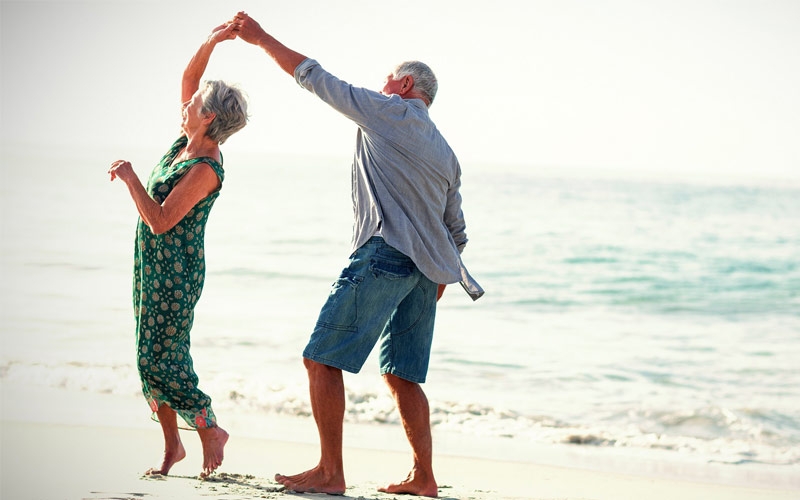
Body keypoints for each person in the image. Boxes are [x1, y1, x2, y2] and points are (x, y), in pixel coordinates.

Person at [231, 11, 480, 497]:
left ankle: (330, 472)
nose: (381, 85)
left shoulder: (389, 111)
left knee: (320, 360)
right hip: (426, 274)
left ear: (405, 84)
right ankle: (424, 478)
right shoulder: (446, 151)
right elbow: (457, 230)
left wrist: (259, 38)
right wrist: (437, 280)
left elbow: (316, 78)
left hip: (385, 254)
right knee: (401, 374)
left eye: (388, 79)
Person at [108, 23, 248, 479]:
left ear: (208, 117)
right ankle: (172, 448)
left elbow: (162, 220)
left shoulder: (206, 165)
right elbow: (190, 83)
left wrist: (130, 178)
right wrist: (211, 42)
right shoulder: (185, 142)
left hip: (176, 270)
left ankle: (208, 426)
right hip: (150, 264)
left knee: (159, 357)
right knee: (147, 354)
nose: (185, 104)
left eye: (194, 104)